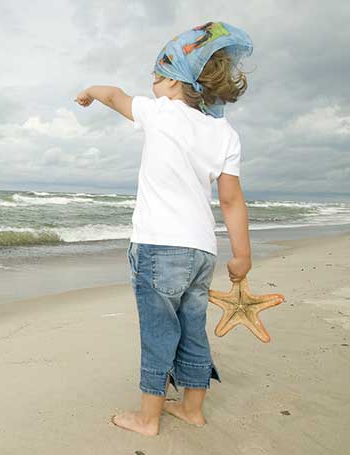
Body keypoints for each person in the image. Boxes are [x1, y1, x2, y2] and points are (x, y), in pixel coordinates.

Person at [75, 21, 253, 437]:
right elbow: (231, 200)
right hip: (201, 252)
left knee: (158, 332)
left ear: (178, 85)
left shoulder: (159, 113)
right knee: (193, 328)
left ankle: (148, 417)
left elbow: (115, 96)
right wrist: (242, 255)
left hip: (158, 247)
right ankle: (192, 408)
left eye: (158, 75)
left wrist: (89, 91)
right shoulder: (225, 133)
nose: (152, 81)